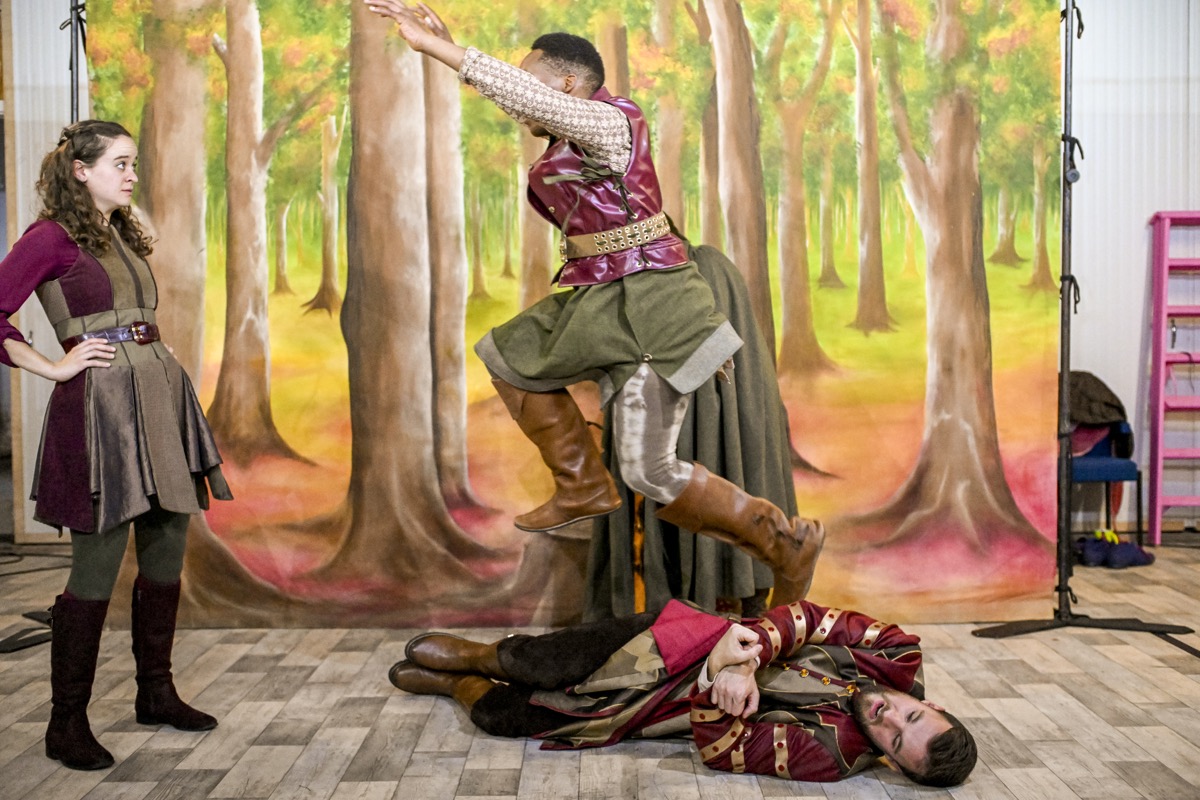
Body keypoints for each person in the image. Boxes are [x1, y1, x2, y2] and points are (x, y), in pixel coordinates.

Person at [365, 1, 822, 604]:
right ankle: (581, 485)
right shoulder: (570, 133)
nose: (522, 96)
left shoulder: (611, 122)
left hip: (654, 301)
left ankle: (781, 543)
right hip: (602, 296)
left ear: (567, 85)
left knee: (646, 468)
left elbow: (526, 99)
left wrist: (436, 49)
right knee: (515, 359)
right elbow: (521, 101)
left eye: (531, 82)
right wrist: (449, 51)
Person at [0, 120, 232, 771]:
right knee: (96, 567)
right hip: (99, 410)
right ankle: (65, 723)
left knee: (166, 548)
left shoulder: (121, 232)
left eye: (133, 163)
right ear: (81, 170)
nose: (132, 174)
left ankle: (156, 694)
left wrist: (153, 353)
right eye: (120, 164)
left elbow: (133, 320)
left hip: (160, 400)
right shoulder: (49, 237)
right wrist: (55, 367)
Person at [388, 592, 977, 787]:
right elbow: (811, 618)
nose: (888, 717)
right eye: (911, 717)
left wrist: (717, 687)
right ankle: (480, 655)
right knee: (544, 662)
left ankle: (460, 685)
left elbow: (724, 751)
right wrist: (743, 660)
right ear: (932, 704)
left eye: (894, 741)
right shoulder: (897, 654)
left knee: (507, 717)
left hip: (661, 707)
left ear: (888, 760)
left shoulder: (834, 755)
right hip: (683, 637)